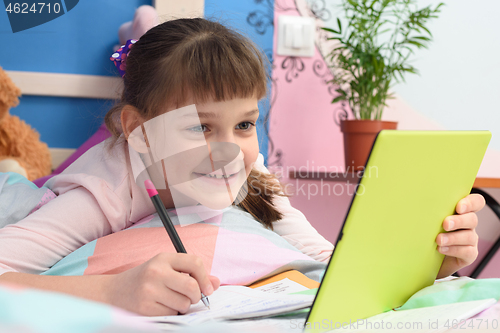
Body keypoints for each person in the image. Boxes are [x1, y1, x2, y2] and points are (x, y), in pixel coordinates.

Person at [0, 18, 484, 317]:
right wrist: (110, 290)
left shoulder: (248, 172)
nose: (230, 150)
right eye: (201, 128)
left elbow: (328, 266)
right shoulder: (102, 192)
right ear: (139, 132)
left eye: (246, 124)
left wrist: (433, 266)